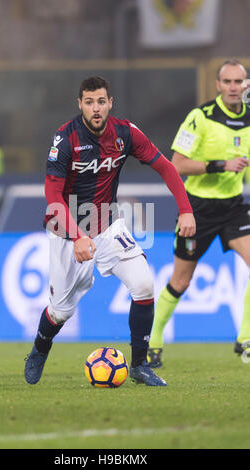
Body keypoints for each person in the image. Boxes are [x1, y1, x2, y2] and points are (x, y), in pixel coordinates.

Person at [24, 76, 195, 386]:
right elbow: (53, 199)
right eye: (89, 102)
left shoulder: (125, 133)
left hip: (106, 225)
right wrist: (77, 236)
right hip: (66, 232)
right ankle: (39, 348)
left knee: (143, 285)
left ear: (110, 102)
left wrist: (185, 209)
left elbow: (166, 167)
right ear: (80, 105)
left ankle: (140, 365)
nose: (96, 108)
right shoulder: (65, 140)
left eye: (101, 101)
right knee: (61, 311)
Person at [148, 59, 250, 368]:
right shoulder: (200, 118)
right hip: (198, 209)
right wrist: (220, 165)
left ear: (246, 85)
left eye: (239, 82)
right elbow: (176, 164)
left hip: (233, 207)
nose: (233, 87)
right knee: (181, 281)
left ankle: (245, 338)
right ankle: (153, 341)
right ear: (218, 85)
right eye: (228, 82)